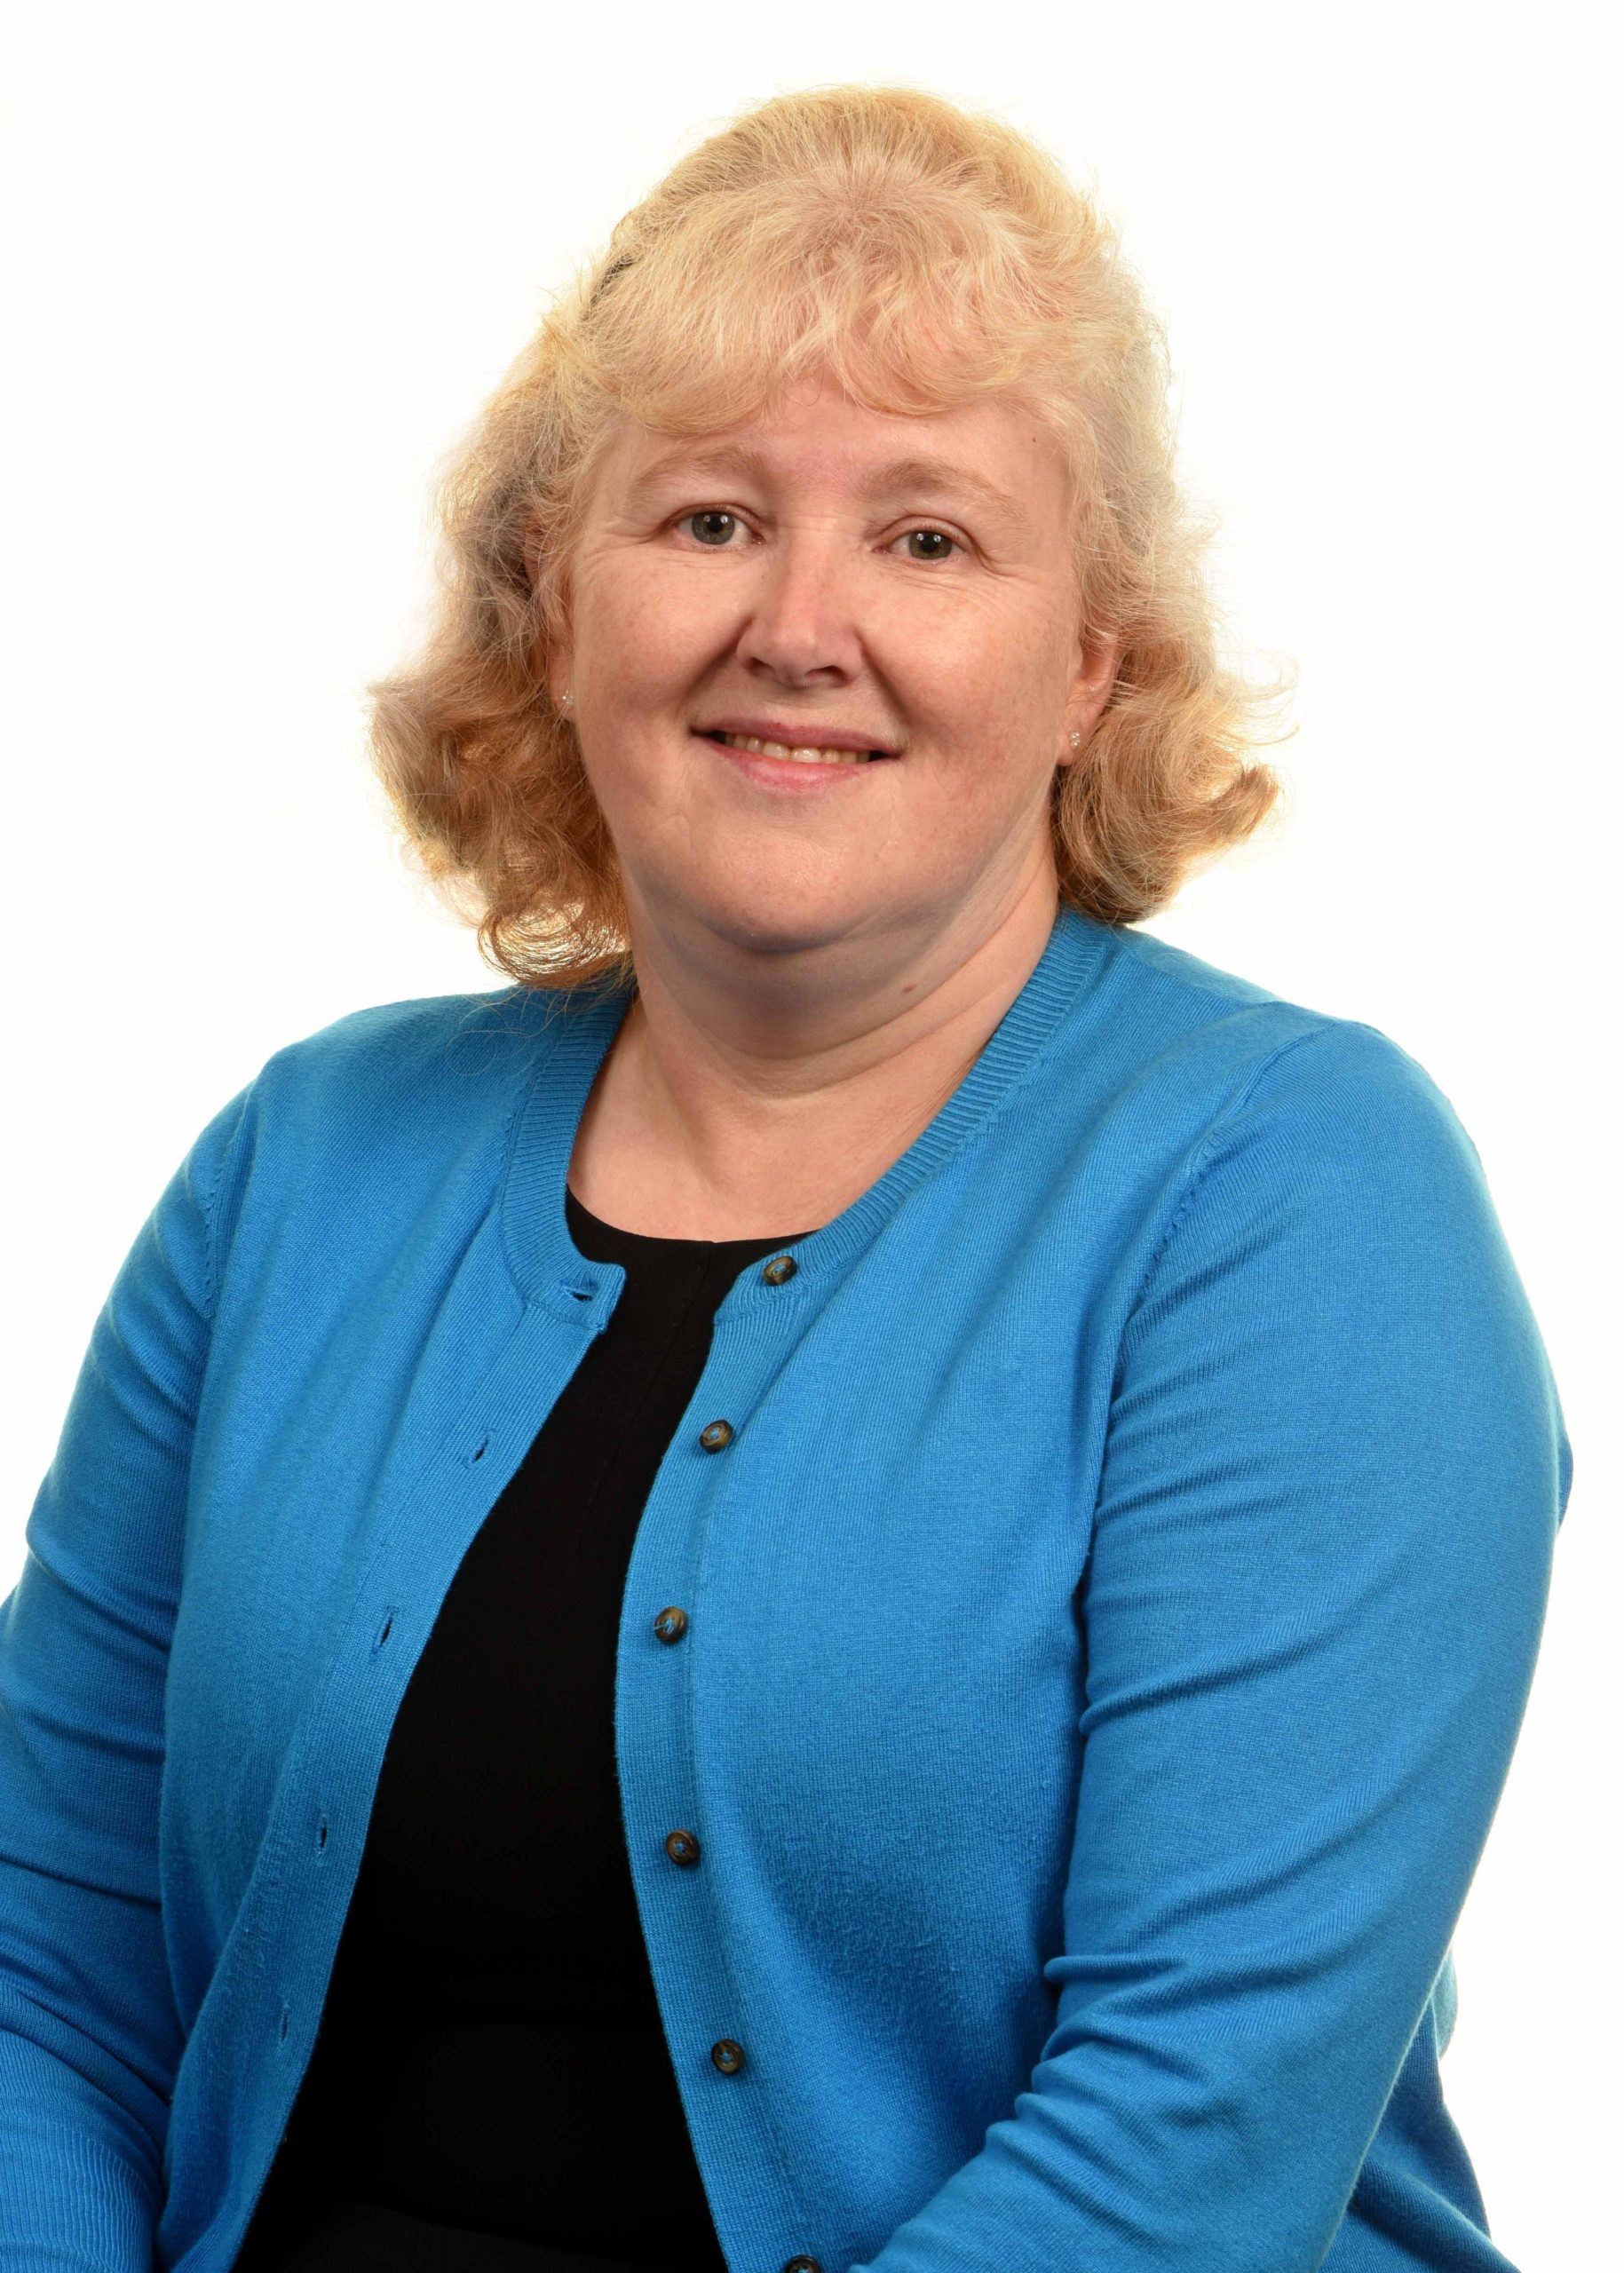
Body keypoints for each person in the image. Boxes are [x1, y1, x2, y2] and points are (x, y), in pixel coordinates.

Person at [0, 81, 1571, 2273]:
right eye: (712, 518)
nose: (799, 622)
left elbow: (1186, 2138)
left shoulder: (1292, 1199)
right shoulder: (303, 1161)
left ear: (1089, 665)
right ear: (558, 611)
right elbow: (42, 1955)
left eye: (926, 535)